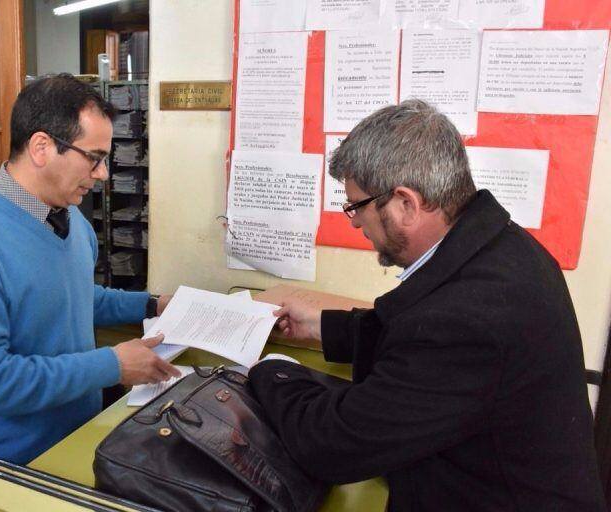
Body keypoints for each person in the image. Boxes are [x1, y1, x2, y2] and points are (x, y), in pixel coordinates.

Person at [248, 100, 605, 511]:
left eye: (357, 206)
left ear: (406, 204)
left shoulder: (464, 322)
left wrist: (270, 371)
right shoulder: (502, 247)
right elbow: (417, 326)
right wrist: (322, 327)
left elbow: (333, 444)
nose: (353, 222)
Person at [0, 74, 180, 464]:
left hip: (81, 436)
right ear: (41, 147)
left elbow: (71, 297)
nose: (103, 175)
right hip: (6, 460)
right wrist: (111, 365)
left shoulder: (71, 220)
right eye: (94, 158)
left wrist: (154, 305)